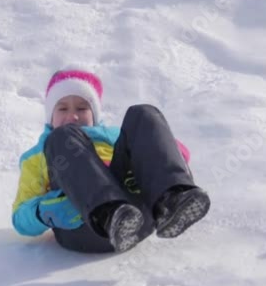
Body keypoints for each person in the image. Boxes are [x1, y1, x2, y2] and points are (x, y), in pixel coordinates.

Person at [11, 64, 211, 254]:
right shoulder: (38, 155)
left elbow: (169, 148)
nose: (73, 116)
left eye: (82, 108)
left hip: (139, 217)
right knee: (62, 137)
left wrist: (166, 157)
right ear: (50, 116)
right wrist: (45, 211)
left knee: (142, 113)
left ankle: (170, 203)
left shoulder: (115, 137)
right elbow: (20, 218)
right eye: (63, 109)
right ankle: (108, 214)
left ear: (94, 113)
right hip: (83, 224)